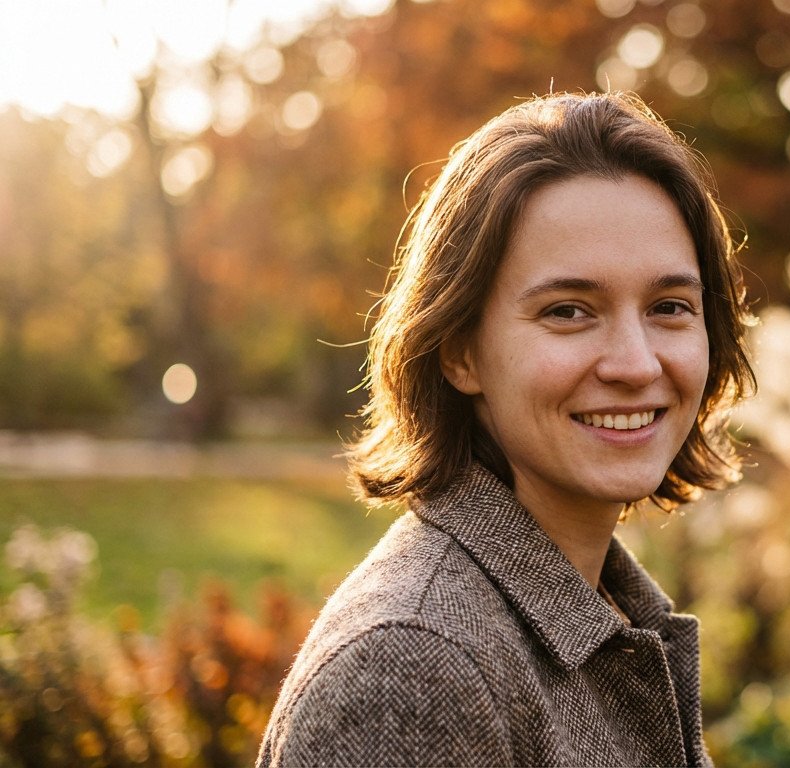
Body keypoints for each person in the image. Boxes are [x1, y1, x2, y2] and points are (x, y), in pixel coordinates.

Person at [256, 91, 754, 767]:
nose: (638, 365)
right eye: (570, 311)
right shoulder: (417, 668)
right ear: (460, 350)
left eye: (669, 306)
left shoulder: (604, 608)